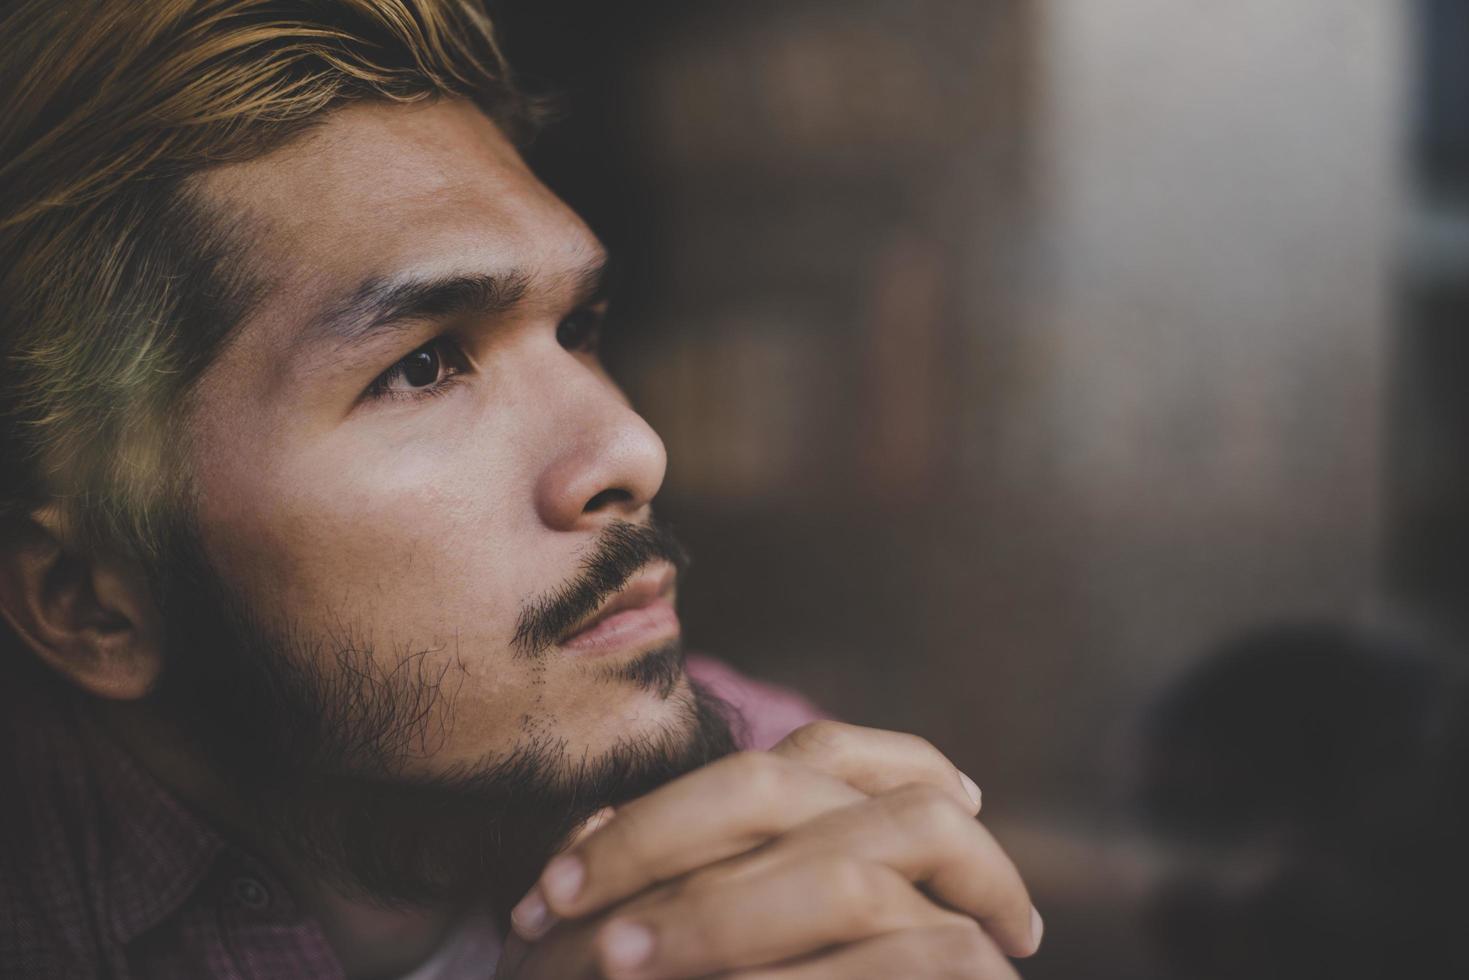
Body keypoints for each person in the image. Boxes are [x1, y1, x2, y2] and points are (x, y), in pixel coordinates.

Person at [0, 2, 1041, 977]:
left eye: (577, 329)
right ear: (92, 600)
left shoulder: (779, 801)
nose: (633, 446)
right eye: (421, 365)